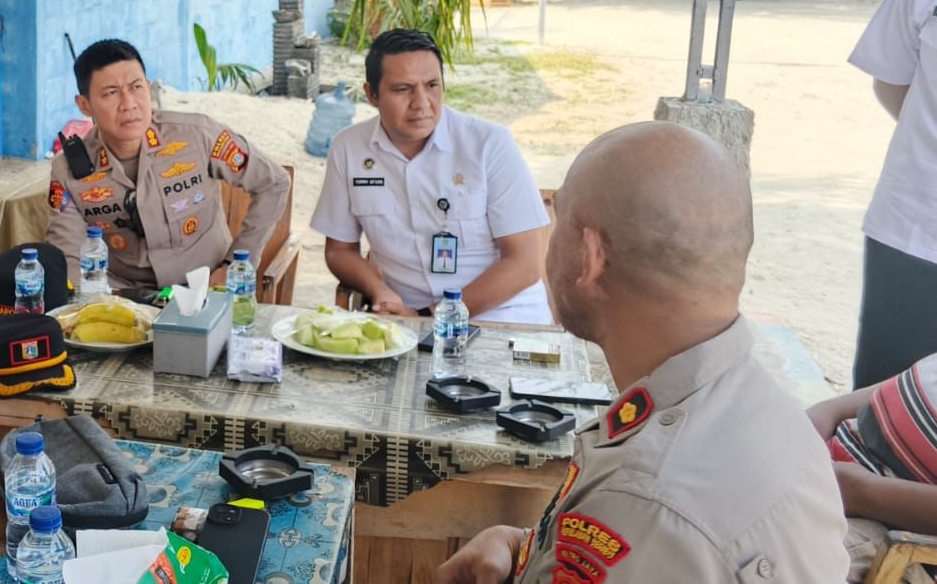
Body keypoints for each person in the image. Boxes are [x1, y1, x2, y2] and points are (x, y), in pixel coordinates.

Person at [435, 122, 849, 583]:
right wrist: (522, 546)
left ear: (591, 258)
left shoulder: (642, 502)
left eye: (559, 217)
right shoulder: (769, 411)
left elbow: (647, 530)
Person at [310, 29, 551, 323]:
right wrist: (380, 291)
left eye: (432, 85)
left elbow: (525, 264)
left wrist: (430, 317)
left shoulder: (489, 144)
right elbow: (339, 251)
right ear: (371, 94)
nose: (422, 102)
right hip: (404, 319)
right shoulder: (349, 148)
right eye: (403, 89)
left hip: (502, 317)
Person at [46, 39, 290, 293]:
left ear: (148, 88)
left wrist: (236, 264)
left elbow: (274, 182)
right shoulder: (69, 171)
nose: (129, 103)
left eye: (136, 87)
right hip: (124, 298)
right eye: (111, 93)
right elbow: (68, 253)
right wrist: (90, 305)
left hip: (206, 288)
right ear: (84, 105)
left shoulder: (197, 136)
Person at [847, 0, 937, 388]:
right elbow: (892, 81)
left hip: (916, 217)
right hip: (914, 231)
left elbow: (893, 87)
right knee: (885, 408)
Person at [808, 352, 937, 582]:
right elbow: (910, 381)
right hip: (833, 473)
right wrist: (827, 411)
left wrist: (862, 493)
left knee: (770, 547)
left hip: (892, 538)